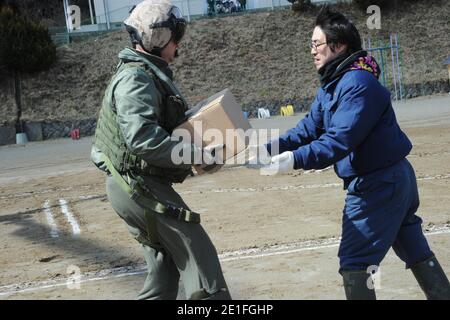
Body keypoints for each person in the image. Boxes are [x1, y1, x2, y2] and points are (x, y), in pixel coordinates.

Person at [260, 6, 450, 300]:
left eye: (316, 44)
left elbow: (339, 140)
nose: (312, 51)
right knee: (414, 248)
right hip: (389, 181)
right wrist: (266, 148)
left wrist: (294, 160)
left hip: (378, 185)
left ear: (338, 46)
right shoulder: (333, 84)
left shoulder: (358, 84)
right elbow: (309, 129)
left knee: (355, 263)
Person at [91, 0, 231, 300]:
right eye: (174, 37)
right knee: (199, 257)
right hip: (137, 187)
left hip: (132, 185)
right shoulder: (136, 78)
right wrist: (198, 154)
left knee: (163, 274)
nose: (178, 44)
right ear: (158, 39)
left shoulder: (144, 73)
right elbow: (143, 140)